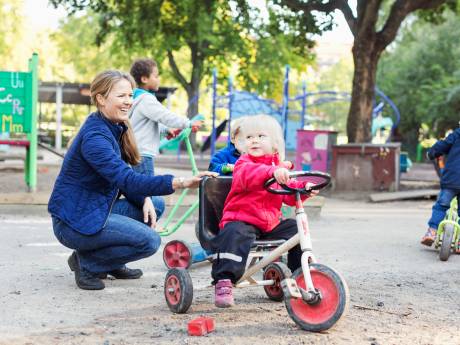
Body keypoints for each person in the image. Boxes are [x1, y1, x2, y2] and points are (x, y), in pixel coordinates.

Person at [48, 70, 217, 291]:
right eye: (121, 96)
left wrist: (144, 198)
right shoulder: (96, 138)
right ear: (100, 99)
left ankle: (112, 262)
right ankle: (87, 263)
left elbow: (125, 179)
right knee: (149, 241)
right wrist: (182, 182)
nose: (128, 101)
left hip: (93, 208)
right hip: (74, 222)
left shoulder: (112, 126)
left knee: (154, 204)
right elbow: (126, 179)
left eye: (130, 95)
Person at [209, 115, 317, 308]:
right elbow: (248, 175)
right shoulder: (243, 163)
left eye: (261, 136)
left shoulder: (278, 169)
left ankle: (300, 274)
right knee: (234, 233)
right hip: (242, 219)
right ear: (242, 144)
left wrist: (305, 189)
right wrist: (270, 172)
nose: (254, 140)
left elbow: (290, 193)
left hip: (269, 224)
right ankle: (224, 280)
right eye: (249, 137)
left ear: (275, 144)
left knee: (295, 228)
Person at [129, 58, 203, 177]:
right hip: (143, 155)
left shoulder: (136, 99)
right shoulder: (146, 99)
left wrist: (166, 130)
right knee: (146, 190)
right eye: (156, 76)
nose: (158, 80)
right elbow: (165, 116)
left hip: (136, 153)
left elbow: (147, 123)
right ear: (144, 79)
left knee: (139, 190)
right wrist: (188, 123)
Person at [421, 128, 460, 246]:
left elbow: (442, 146)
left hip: (452, 179)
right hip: (453, 178)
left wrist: (431, 153)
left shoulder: (457, 134)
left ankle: (432, 231)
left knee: (441, 206)